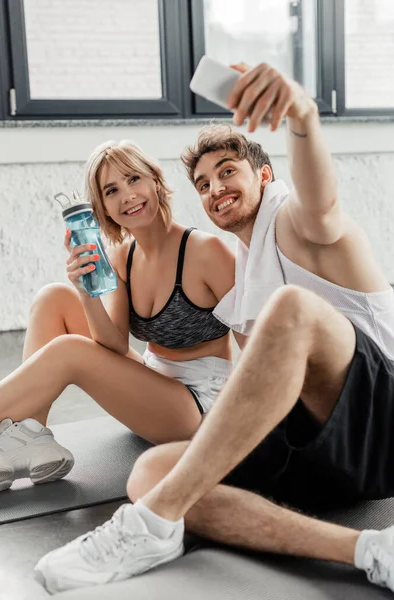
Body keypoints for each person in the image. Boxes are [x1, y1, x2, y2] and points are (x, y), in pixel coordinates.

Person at [33, 62, 394, 596]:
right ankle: (370, 550)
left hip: (378, 422)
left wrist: (302, 115)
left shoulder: (305, 227)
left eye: (228, 171)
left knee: (292, 308)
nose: (215, 188)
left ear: (264, 175)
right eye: (203, 183)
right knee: (152, 475)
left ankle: (150, 524)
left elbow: (323, 203)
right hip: (316, 450)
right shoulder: (246, 270)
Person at [0, 139, 235, 493]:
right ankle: (30, 436)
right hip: (153, 387)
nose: (128, 196)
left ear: (155, 180)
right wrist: (84, 289)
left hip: (200, 408)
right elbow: (113, 345)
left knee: (70, 352)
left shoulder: (205, 251)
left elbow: (262, 340)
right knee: (53, 297)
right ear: (102, 208)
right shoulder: (124, 255)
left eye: (134, 179)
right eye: (112, 190)